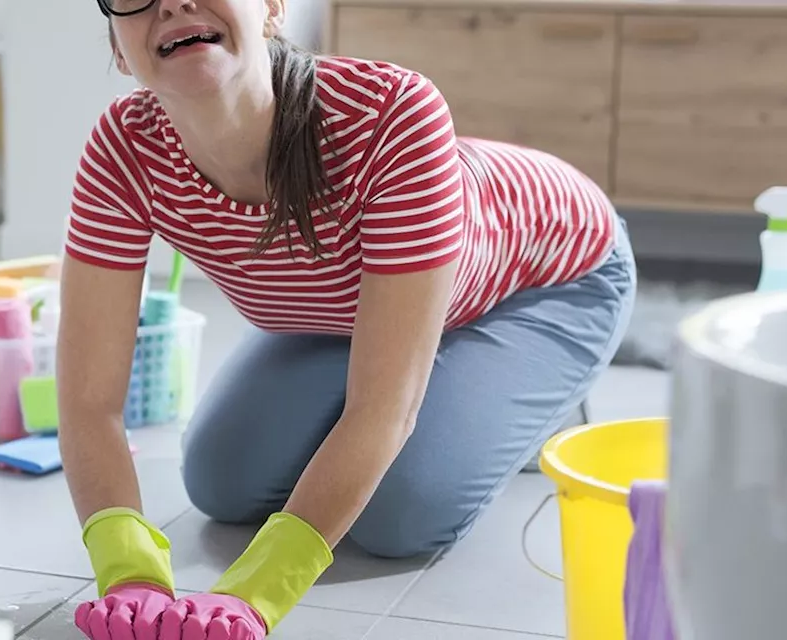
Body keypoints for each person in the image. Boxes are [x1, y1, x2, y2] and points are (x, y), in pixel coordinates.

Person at [57, 0, 637, 637]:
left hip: (550, 277)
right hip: (346, 315)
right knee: (220, 482)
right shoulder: (123, 150)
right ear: (119, 49)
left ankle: (525, 396)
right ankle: (424, 370)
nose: (171, 2)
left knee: (401, 517)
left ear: (272, 8)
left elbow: (382, 408)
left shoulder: (392, 113)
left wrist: (256, 592)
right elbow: (89, 402)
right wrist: (128, 573)